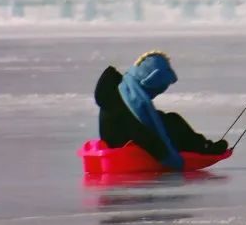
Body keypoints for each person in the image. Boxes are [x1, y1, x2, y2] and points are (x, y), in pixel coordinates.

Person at [94, 51, 227, 170]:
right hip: (124, 147)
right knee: (174, 125)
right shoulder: (128, 104)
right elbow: (146, 137)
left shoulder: (124, 91)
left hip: (124, 138)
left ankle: (202, 146)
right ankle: (202, 148)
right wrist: (173, 159)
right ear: (150, 82)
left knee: (171, 119)